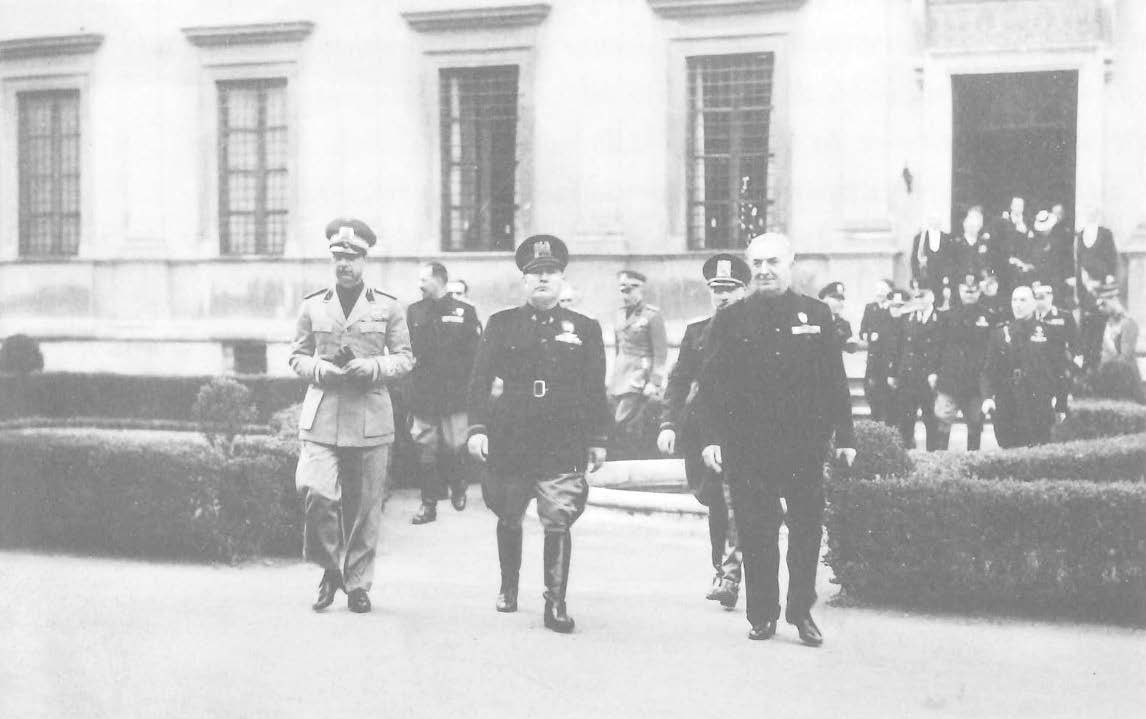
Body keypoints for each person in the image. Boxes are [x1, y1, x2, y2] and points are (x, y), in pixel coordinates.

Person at [693, 232, 856, 646]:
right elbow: (711, 384)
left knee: (805, 530)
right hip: (748, 447)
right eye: (758, 263)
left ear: (790, 264)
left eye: (773, 263)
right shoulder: (731, 319)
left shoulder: (816, 313)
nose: (765, 270)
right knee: (756, 531)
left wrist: (845, 435)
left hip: (803, 444)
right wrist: (711, 437)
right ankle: (762, 614)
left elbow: (835, 380)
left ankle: (800, 612)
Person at [466, 234, 610, 634]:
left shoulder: (585, 328)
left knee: (558, 517)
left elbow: (595, 387)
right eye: (535, 273)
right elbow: (478, 382)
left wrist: (598, 438)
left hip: (562, 435)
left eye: (550, 272)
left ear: (562, 279)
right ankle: (509, 586)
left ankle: (555, 602)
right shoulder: (501, 324)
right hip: (511, 431)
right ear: (524, 281)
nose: (543, 279)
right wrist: (477, 428)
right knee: (509, 512)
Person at [289, 218, 414, 614]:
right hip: (323, 412)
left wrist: (374, 368)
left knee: (365, 508)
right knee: (315, 491)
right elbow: (297, 355)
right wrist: (319, 370)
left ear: (365, 259)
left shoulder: (389, 306)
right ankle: (330, 569)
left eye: (352, 256)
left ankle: (358, 584)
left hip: (369, 415)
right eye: (338, 256)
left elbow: (406, 357)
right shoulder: (313, 305)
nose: (344, 263)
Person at [656, 253, 750, 610]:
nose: (723, 296)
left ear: (744, 290)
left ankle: (730, 576)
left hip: (745, 430)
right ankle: (721, 569)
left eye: (730, 289)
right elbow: (678, 381)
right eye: (716, 289)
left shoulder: (757, 330)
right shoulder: (697, 333)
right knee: (714, 501)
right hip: (703, 432)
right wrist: (668, 423)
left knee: (736, 501)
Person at [407, 262, 483, 525]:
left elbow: (477, 356)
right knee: (425, 449)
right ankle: (428, 505)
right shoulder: (414, 311)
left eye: (423, 279)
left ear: (438, 280)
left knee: (455, 445)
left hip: (454, 394)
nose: (419, 284)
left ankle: (459, 484)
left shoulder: (464, 311)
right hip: (424, 394)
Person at [981, 285, 1069, 448]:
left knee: (1038, 453)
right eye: (1014, 300)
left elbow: (1059, 371)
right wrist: (987, 397)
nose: (1018, 304)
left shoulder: (1049, 332)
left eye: (1023, 300)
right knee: (1009, 452)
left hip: (1037, 404)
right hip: (1007, 404)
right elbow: (988, 371)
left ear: (1034, 303)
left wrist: (1061, 405)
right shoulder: (1000, 334)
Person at [933, 275, 993, 451]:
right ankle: (940, 464)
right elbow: (938, 347)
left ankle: (972, 464)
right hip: (949, 380)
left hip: (975, 383)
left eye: (973, 291)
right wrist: (934, 372)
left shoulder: (988, 317)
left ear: (979, 292)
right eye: (966, 291)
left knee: (975, 424)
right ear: (959, 290)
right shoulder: (946, 316)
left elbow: (991, 350)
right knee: (943, 423)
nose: (969, 294)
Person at [608, 270, 668, 434]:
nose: (627, 295)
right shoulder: (618, 314)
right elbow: (617, 349)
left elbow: (661, 352)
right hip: (620, 375)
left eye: (632, 289)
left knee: (622, 419)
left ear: (641, 290)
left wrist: (655, 382)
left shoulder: (652, 315)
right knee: (621, 419)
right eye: (623, 290)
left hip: (639, 375)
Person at [887, 286, 942, 450]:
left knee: (931, 418)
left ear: (931, 297)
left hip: (929, 377)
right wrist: (892, 373)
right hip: (908, 376)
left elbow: (943, 350)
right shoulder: (906, 318)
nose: (918, 300)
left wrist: (937, 372)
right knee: (906, 418)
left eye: (922, 296)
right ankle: (907, 454)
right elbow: (897, 347)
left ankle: (933, 455)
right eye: (916, 297)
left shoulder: (941, 318)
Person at [1071, 211, 1120, 370]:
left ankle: (1097, 367)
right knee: (1086, 327)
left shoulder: (1105, 234)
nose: (1090, 217)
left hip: (1101, 286)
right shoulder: (1080, 236)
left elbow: (1112, 256)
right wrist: (1078, 291)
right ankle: (1087, 368)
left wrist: (1110, 275)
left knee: (1100, 324)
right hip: (1085, 290)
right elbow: (1078, 264)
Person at [859, 279, 895, 422]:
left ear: (890, 291)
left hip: (889, 359)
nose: (879, 292)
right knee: (872, 394)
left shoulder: (893, 309)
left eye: (883, 289)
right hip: (874, 360)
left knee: (889, 398)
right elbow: (862, 331)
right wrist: (869, 335)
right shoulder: (870, 308)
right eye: (877, 289)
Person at [947, 206, 997, 296]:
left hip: (980, 288)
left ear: (980, 225)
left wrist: (987, 280)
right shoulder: (955, 243)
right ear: (964, 222)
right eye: (970, 219)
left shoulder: (985, 244)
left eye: (977, 220)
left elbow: (990, 266)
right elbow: (950, 267)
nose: (973, 224)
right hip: (959, 288)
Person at [1032, 281, 1081, 373]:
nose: (1038, 301)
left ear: (1050, 297)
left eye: (1041, 297)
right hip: (1036, 367)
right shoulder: (1030, 317)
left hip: (1057, 367)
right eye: (1036, 298)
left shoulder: (1064, 316)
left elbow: (1074, 342)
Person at [910, 217, 951, 301]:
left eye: (937, 220)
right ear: (929, 221)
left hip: (942, 279)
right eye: (932, 219)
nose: (935, 222)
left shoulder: (946, 238)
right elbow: (914, 260)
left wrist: (947, 276)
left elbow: (950, 259)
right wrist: (916, 277)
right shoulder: (920, 238)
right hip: (924, 279)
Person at [819, 281, 858, 353]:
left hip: (836, 363)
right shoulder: (817, 320)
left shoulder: (844, 324)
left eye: (842, 300)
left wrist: (851, 345)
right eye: (837, 299)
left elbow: (850, 348)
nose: (841, 303)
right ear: (826, 299)